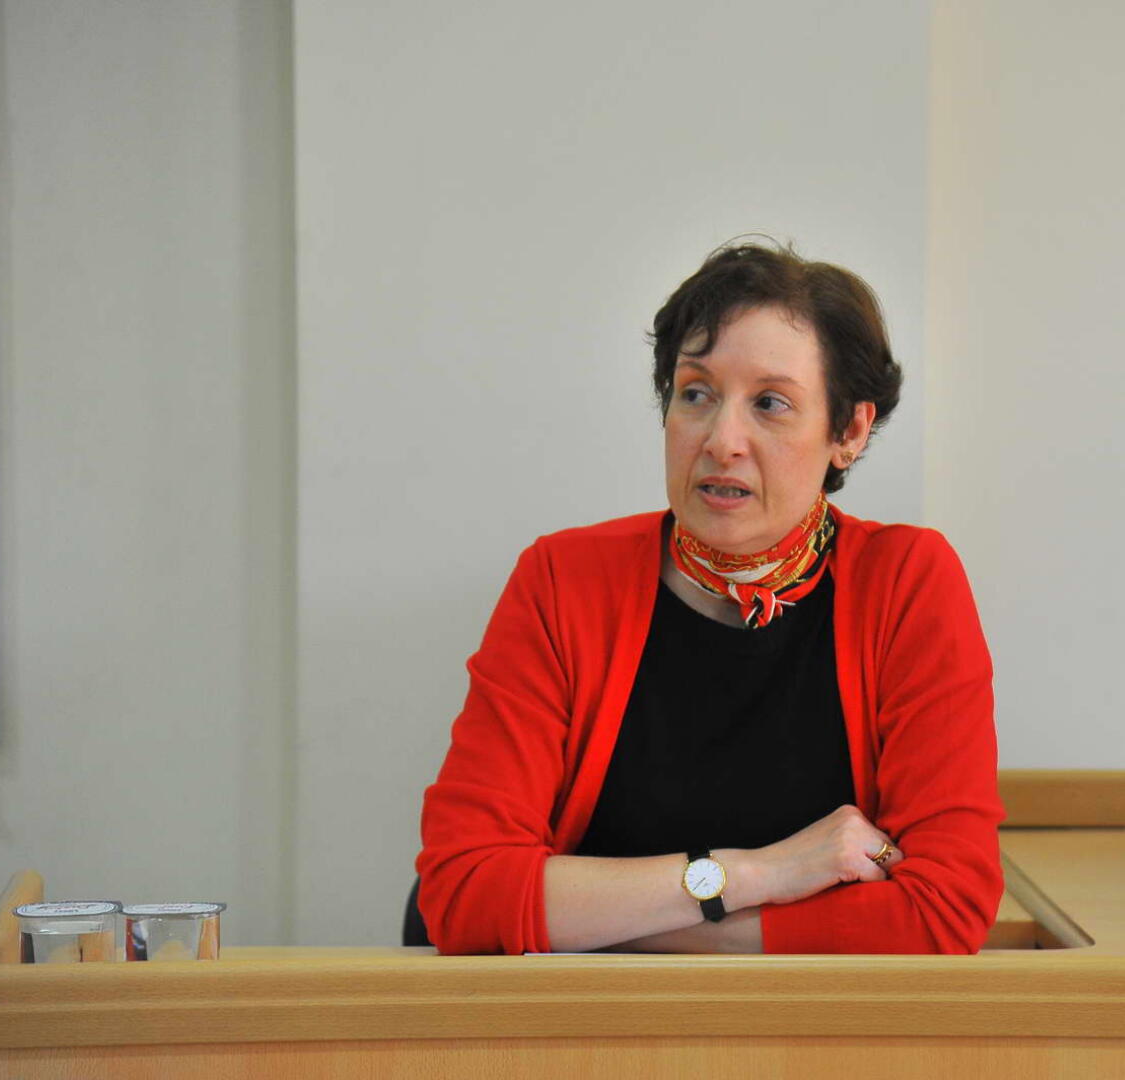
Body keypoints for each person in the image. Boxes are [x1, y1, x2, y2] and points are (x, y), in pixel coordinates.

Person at [417, 240, 1003, 954]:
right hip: (581, 1019)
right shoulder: (563, 581)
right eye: (695, 393)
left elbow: (943, 911)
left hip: (804, 1024)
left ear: (848, 431)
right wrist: (760, 873)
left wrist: (592, 924)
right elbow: (463, 894)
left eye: (770, 404)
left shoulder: (906, 582)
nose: (722, 440)